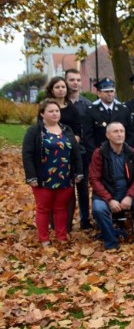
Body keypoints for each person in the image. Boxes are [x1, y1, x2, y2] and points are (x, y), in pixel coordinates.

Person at [22, 99, 83, 246]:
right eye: (51, 111)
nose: (55, 113)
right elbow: (27, 155)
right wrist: (31, 176)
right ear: (42, 114)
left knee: (61, 208)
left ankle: (61, 237)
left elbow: (75, 153)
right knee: (43, 209)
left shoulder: (66, 130)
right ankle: (44, 239)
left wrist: (78, 172)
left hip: (65, 176)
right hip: (43, 178)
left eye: (57, 111)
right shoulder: (34, 131)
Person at [89, 122, 134, 249]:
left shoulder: (132, 153)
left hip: (127, 192)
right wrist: (109, 199)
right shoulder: (99, 153)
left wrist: (130, 196)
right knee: (98, 209)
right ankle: (111, 243)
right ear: (107, 135)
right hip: (106, 193)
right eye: (115, 131)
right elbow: (94, 179)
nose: (119, 134)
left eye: (122, 131)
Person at [44, 77, 82, 231]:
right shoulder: (46, 107)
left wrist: (70, 143)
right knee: (51, 191)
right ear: (52, 89)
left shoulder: (72, 108)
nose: (61, 89)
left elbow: (77, 131)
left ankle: (66, 225)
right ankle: (53, 223)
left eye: (63, 87)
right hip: (50, 154)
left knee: (68, 192)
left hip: (68, 154)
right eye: (57, 87)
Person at [65, 68, 92, 229]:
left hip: (83, 153)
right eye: (71, 80)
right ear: (66, 81)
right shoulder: (59, 105)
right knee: (66, 190)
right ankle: (66, 221)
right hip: (63, 153)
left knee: (83, 188)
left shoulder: (87, 105)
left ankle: (85, 219)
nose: (75, 83)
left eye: (78, 80)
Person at [83, 77, 134, 159]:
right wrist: (96, 153)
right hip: (100, 155)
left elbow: (130, 134)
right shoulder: (91, 111)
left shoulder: (123, 110)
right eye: (106, 91)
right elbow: (88, 137)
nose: (109, 94)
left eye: (111, 91)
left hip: (121, 154)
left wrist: (125, 150)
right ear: (99, 93)